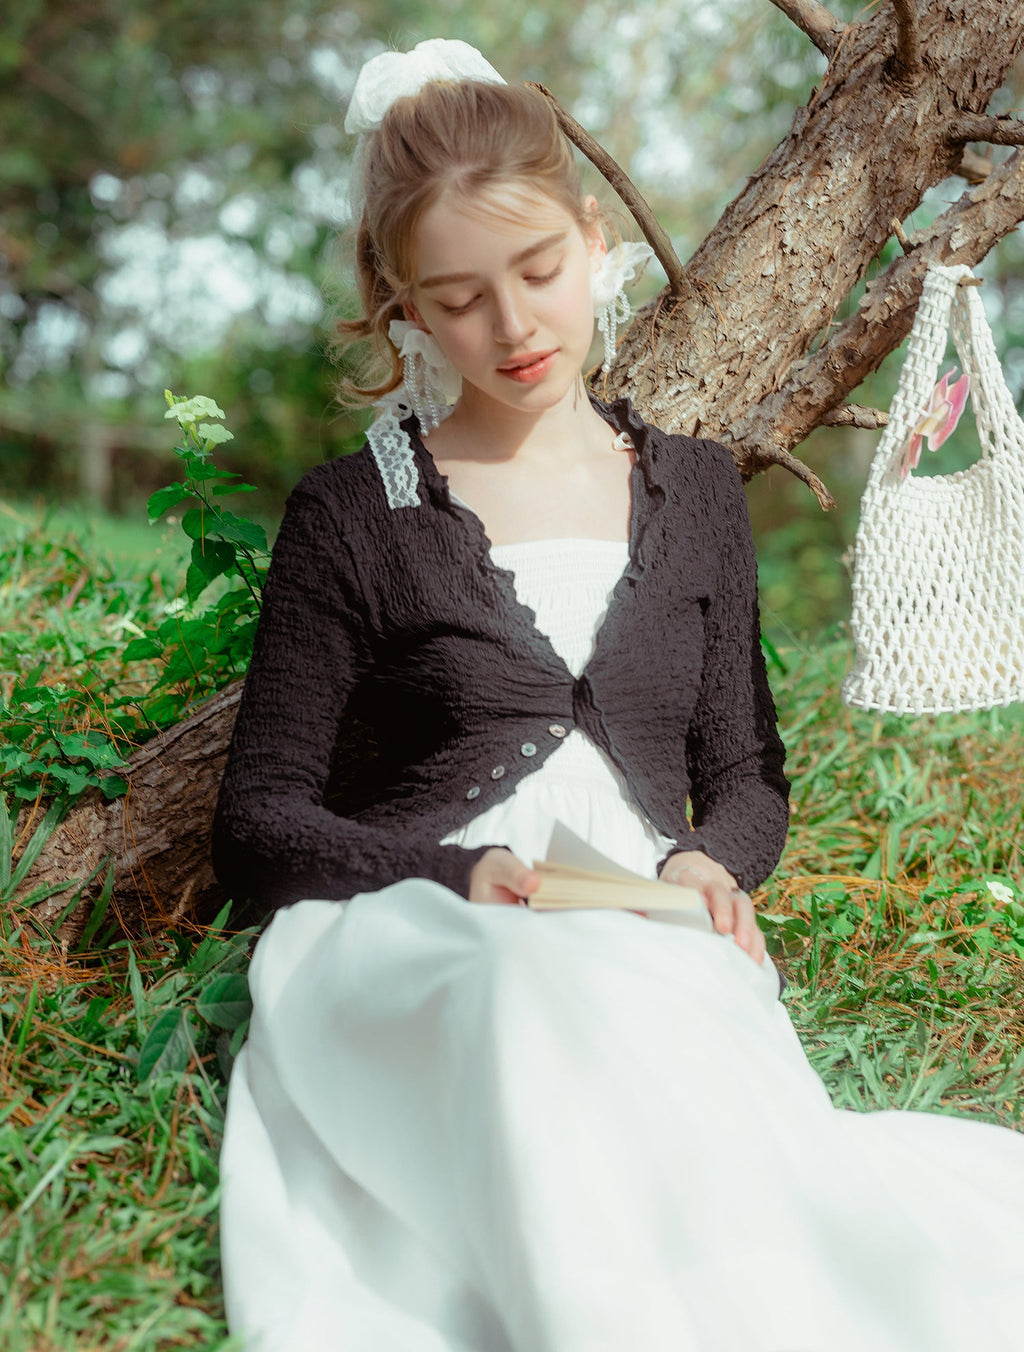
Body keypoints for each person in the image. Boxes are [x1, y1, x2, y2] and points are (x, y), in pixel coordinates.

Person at [213, 39, 1024, 1352]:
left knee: (800, 1220)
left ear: (594, 238)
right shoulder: (357, 512)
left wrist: (714, 866)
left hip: (648, 934)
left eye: (538, 272)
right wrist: (448, 872)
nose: (516, 327)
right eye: (461, 298)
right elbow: (256, 820)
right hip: (418, 942)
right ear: (405, 308)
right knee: (524, 1007)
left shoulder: (695, 493)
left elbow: (748, 767)